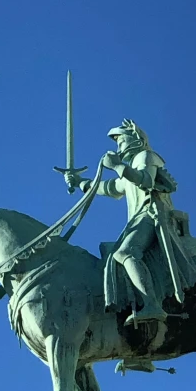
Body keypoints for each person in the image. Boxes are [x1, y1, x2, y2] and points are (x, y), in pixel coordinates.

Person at [64, 119, 182, 325]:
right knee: (113, 254)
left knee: (126, 252)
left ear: (135, 139)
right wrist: (80, 182)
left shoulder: (146, 156)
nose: (118, 147)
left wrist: (118, 166)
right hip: (137, 220)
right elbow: (109, 188)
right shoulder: (129, 170)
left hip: (151, 215)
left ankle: (152, 305)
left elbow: (145, 179)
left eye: (121, 141)